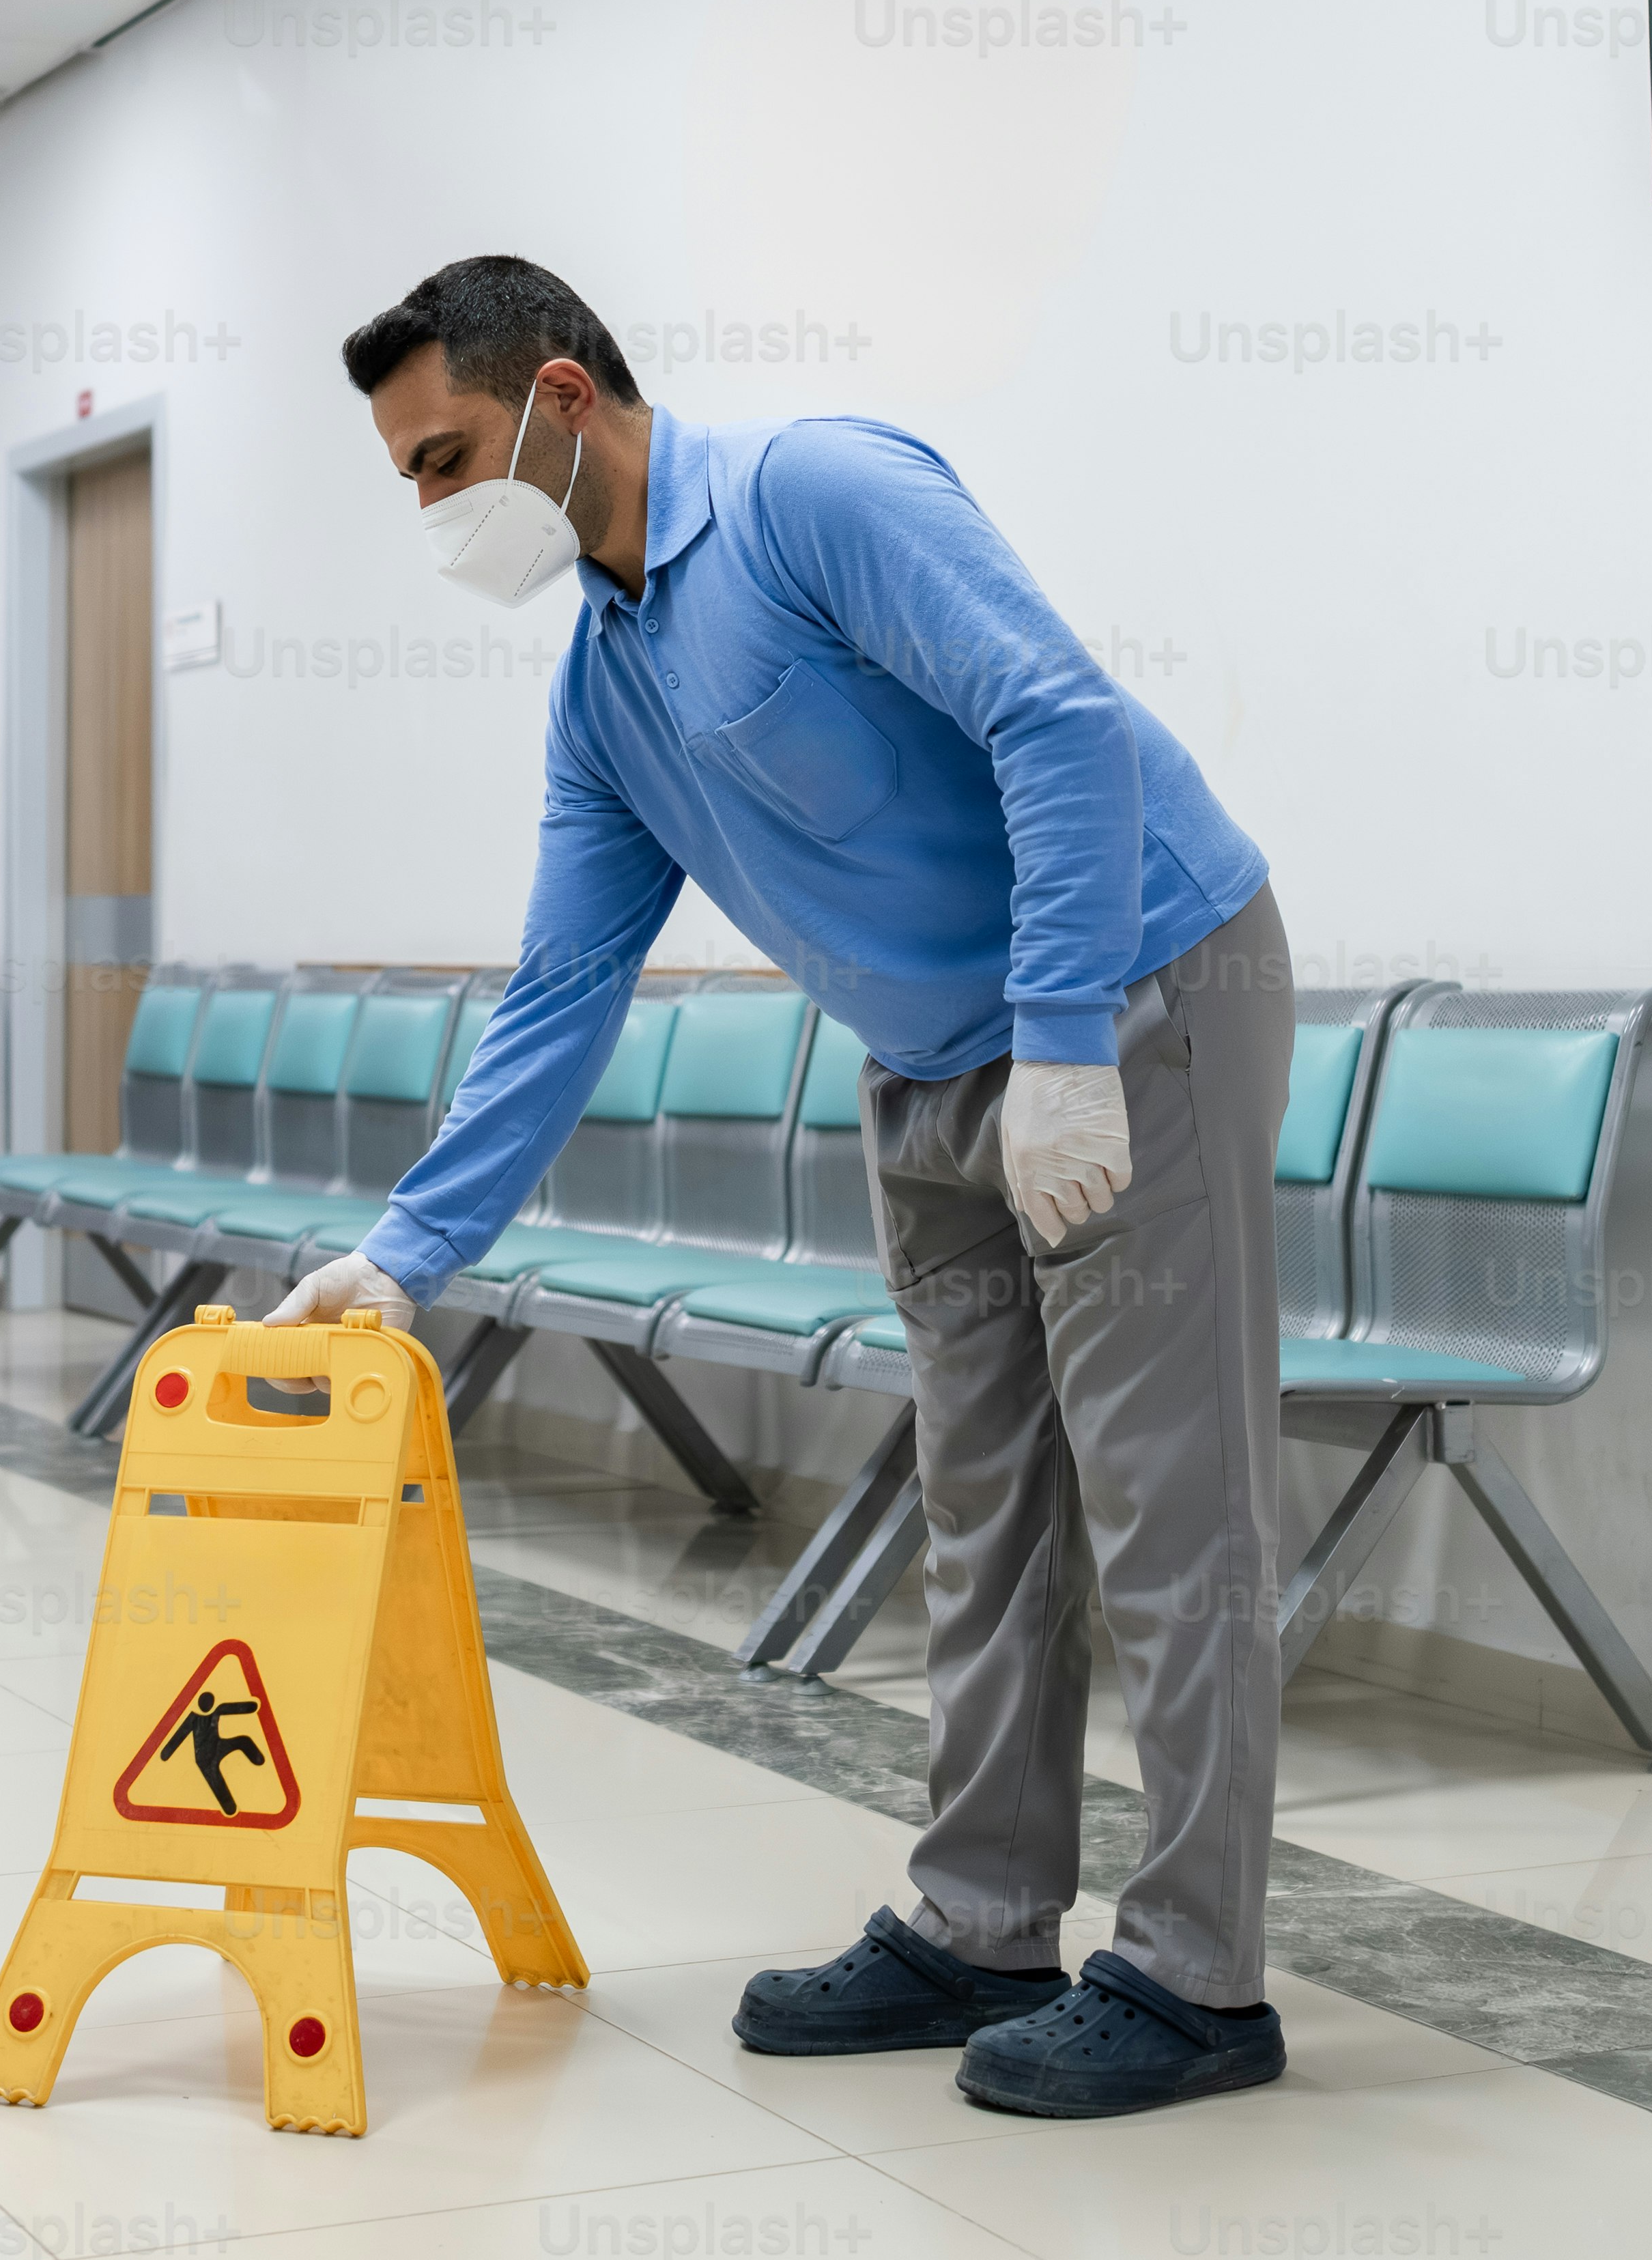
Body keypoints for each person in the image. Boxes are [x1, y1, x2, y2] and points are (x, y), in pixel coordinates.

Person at [264, 258, 1298, 2117]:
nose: (429, 512)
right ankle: (982, 1921)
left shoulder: (818, 497)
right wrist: (403, 1253)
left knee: (1164, 1503)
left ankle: (1197, 1976)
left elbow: (1055, 723)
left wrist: (1067, 1040)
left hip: (1140, 995)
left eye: (441, 461)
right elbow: (564, 991)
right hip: (929, 1072)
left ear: (560, 398)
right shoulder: (605, 687)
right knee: (985, 1509)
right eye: (406, 479)